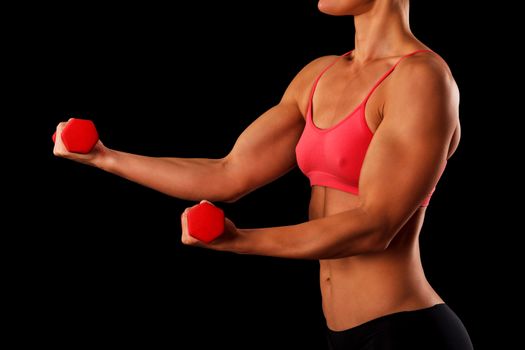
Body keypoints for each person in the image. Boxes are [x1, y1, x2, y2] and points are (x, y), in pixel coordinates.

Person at [53, 0, 473, 348]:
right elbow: (228, 174)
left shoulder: (420, 79)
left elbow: (374, 226)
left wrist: (241, 241)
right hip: (342, 335)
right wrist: (105, 157)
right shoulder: (319, 75)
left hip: (409, 332)